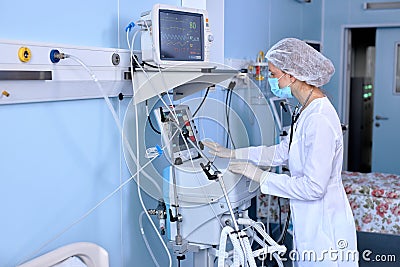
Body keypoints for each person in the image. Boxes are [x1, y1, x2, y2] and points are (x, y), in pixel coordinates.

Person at [203, 38, 358, 266]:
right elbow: (282, 152)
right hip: (309, 221)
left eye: (274, 74)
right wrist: (234, 154)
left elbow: (314, 188)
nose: (271, 80)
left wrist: (260, 176)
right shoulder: (307, 110)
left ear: (292, 75)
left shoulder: (319, 119)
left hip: (324, 226)